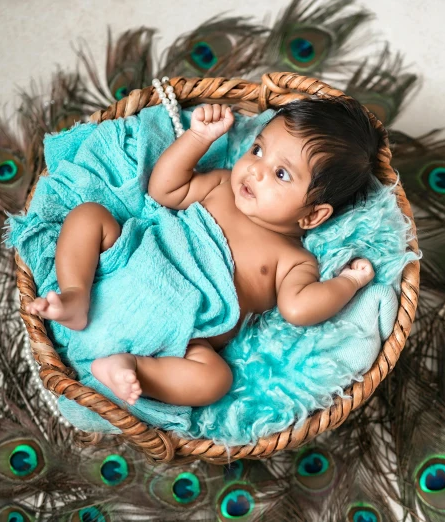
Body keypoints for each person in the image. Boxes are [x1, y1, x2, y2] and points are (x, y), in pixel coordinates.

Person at [25, 96, 379, 407]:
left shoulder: (294, 260)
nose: (255, 170)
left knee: (214, 380)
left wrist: (349, 280)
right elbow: (165, 190)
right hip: (130, 264)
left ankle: (133, 367)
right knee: (89, 215)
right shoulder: (223, 184)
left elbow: (299, 308)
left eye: (281, 173)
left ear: (313, 214)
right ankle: (75, 295)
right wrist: (198, 138)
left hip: (182, 333)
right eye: (257, 149)